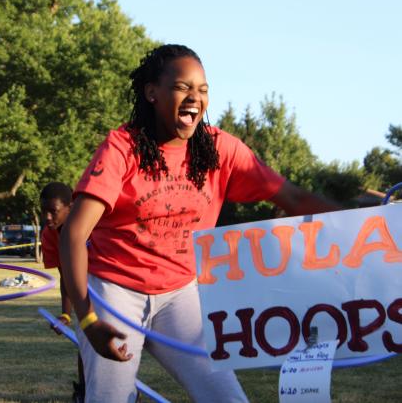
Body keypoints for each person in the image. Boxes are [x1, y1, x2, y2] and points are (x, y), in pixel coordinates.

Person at [58, 44, 340, 403]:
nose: (195, 97)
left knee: (227, 398)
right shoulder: (121, 148)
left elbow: (295, 199)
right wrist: (87, 319)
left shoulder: (221, 149)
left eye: (203, 89)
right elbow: (74, 232)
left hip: (180, 292)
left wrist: (377, 223)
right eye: (182, 87)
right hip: (116, 291)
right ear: (152, 92)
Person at [39, 182, 85, 402]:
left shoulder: (91, 226)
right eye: (44, 211)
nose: (47, 217)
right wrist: (66, 314)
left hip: (110, 284)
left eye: (53, 211)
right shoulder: (49, 236)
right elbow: (66, 276)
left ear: (71, 207)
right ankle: (84, 391)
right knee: (86, 340)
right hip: (84, 291)